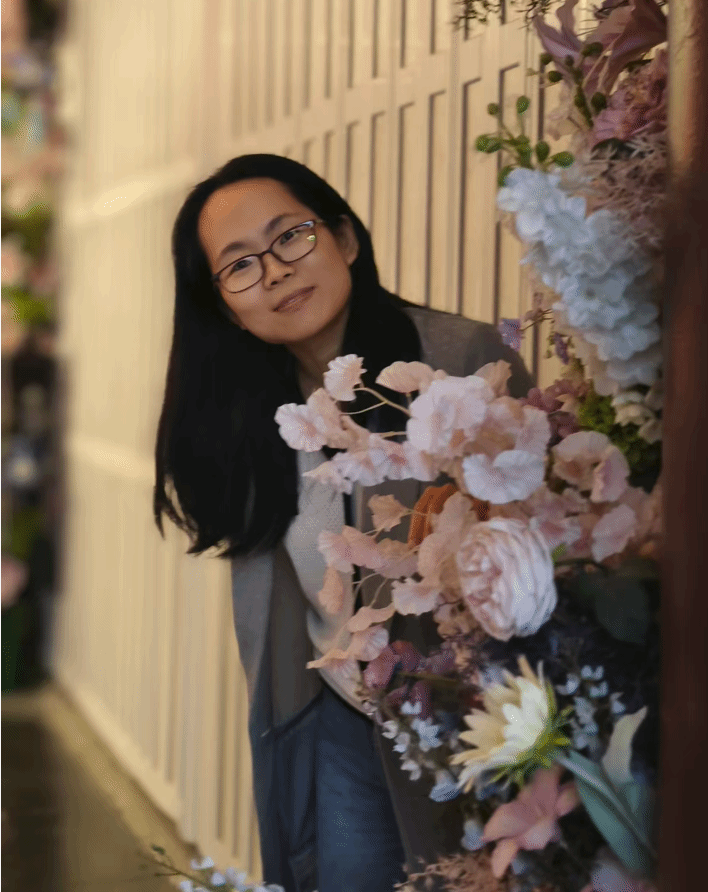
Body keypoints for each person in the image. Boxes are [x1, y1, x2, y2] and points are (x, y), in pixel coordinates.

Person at [154, 154, 533, 892]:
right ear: (224, 305)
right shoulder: (249, 413)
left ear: (345, 239)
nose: (276, 272)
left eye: (290, 236)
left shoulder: (458, 361)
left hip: (468, 714)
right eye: (240, 265)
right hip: (340, 716)